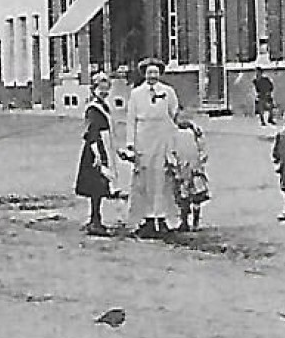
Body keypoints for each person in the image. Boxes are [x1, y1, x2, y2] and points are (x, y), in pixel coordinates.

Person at [123, 58, 181, 239]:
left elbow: (174, 114)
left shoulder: (168, 92)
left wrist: (173, 140)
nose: (152, 77)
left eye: (156, 73)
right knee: (144, 180)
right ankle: (146, 219)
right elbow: (131, 119)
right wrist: (130, 144)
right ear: (144, 74)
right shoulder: (136, 94)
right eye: (149, 73)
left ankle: (163, 218)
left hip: (162, 137)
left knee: (163, 178)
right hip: (144, 138)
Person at [74, 71, 116, 236]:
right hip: (94, 150)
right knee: (96, 187)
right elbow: (91, 131)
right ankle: (95, 221)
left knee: (100, 186)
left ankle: (96, 218)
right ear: (94, 89)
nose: (104, 92)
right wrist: (97, 153)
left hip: (102, 146)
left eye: (107, 89)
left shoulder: (103, 106)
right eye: (101, 89)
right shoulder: (93, 108)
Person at [170, 110, 210, 231]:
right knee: (185, 196)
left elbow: (202, 149)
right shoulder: (174, 134)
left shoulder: (192, 133)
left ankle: (194, 222)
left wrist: (200, 161)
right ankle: (185, 221)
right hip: (183, 168)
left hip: (191, 167)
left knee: (193, 196)